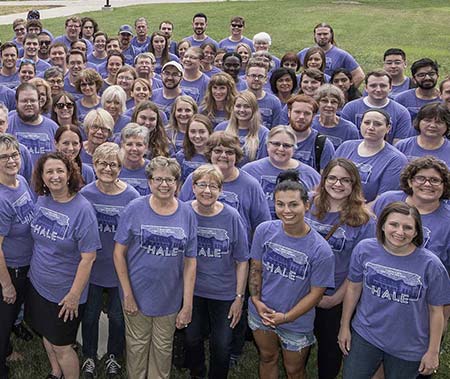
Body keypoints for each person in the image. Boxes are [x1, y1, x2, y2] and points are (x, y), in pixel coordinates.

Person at [338, 201, 450, 379]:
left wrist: (433, 351)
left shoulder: (431, 265)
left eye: (407, 227)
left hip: (409, 346)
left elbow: (437, 311)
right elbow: (353, 288)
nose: (399, 232)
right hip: (366, 334)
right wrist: (344, 326)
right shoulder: (364, 249)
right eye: (394, 224)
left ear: (416, 231)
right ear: (382, 224)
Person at [113, 156, 197, 379]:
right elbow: (118, 253)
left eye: (170, 180)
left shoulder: (187, 213)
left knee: (163, 348)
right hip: (137, 293)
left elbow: (190, 261)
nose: (164, 184)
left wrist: (187, 304)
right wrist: (127, 294)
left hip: (169, 296)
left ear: (178, 183)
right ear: (149, 182)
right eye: (158, 179)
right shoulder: (134, 208)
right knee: (137, 347)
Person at [248, 169, 335, 379]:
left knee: (294, 370)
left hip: (296, 321)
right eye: (280, 204)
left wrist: (286, 317)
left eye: (293, 204)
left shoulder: (321, 250)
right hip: (262, 312)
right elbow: (256, 269)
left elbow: (316, 294)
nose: (286, 210)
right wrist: (256, 300)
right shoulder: (264, 231)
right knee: (267, 357)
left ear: (306, 205)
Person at [27, 152, 101, 379]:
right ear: (42, 176)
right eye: (49, 171)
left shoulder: (83, 210)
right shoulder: (42, 199)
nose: (55, 176)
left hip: (64, 293)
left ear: (69, 173)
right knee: (46, 334)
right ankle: (55, 372)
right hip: (38, 284)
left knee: (62, 346)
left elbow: (88, 258)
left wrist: (73, 295)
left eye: (60, 170)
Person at [305, 158, 375, 379]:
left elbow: (360, 268)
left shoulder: (365, 221)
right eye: (332, 178)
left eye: (345, 180)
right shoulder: (307, 203)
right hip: (301, 288)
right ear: (324, 179)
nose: (338, 184)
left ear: (354, 185)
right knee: (299, 339)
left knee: (329, 348)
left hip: (334, 293)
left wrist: (335, 299)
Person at [79, 143, 140, 379]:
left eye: (113, 164)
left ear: (121, 167)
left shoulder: (131, 196)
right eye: (102, 163)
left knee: (117, 315)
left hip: (119, 269)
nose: (107, 168)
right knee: (91, 314)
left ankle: (114, 355)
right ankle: (89, 356)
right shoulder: (86, 194)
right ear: (94, 165)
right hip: (92, 267)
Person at [185, 164, 249, 379]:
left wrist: (239, 297)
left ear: (221, 190)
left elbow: (242, 260)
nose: (207, 190)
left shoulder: (231, 217)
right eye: (202, 184)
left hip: (223, 291)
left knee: (221, 344)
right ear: (193, 187)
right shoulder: (183, 212)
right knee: (192, 337)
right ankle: (197, 373)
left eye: (213, 186)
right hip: (191, 289)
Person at [179, 131, 270, 248]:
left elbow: (261, 225)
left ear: (236, 155)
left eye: (229, 152)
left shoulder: (251, 185)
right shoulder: (194, 178)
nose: (223, 155)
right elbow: (181, 214)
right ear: (209, 153)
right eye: (217, 151)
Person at [372, 156, 450, 270]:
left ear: (444, 185)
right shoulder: (387, 200)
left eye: (435, 180)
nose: (427, 184)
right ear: (410, 181)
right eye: (420, 178)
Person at [0, 134, 34, 379]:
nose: (11, 160)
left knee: (8, 318)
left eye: (14, 155)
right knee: (4, 321)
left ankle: (8, 350)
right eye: (3, 157)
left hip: (25, 263)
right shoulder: (1, 198)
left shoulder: (20, 181)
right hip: (11, 268)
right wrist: (6, 284)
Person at [242, 125, 320, 219]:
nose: (281, 149)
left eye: (286, 145)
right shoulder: (249, 171)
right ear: (267, 145)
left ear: (294, 149)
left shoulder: (311, 175)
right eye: (276, 144)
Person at [335, 109, 408, 203]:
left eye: (377, 124)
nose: (371, 127)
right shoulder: (346, 146)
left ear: (388, 128)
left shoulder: (396, 159)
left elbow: (382, 200)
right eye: (366, 123)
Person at [341, 70, 412, 144]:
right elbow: (345, 138)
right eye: (373, 86)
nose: (378, 89)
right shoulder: (350, 108)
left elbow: (398, 145)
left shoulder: (402, 113)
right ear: (366, 87)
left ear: (390, 87)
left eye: (383, 86)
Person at [298, 22, 365, 87]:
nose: (322, 37)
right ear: (314, 35)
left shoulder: (342, 55)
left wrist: (347, 93)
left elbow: (359, 75)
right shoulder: (304, 53)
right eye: (319, 34)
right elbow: (290, 69)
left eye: (325, 34)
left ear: (331, 35)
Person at [7, 83, 59, 164]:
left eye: (32, 100)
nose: (29, 104)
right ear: (16, 103)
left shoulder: (53, 127)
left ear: (39, 102)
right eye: (24, 101)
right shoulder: (7, 125)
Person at [215, 91, 269, 166]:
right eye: (238, 106)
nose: (242, 110)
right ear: (233, 108)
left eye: (247, 106)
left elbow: (262, 164)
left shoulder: (264, 133)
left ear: (254, 109)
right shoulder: (221, 128)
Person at [287, 94, 335, 172]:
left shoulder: (323, 144)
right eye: (297, 112)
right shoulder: (275, 139)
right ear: (289, 113)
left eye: (307, 113)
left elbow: (325, 178)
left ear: (313, 116)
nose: (301, 117)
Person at [395, 102, 450, 166]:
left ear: (447, 125)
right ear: (419, 122)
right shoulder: (402, 146)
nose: (432, 125)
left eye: (439, 122)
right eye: (427, 120)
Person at [311, 84, 360, 149]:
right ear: (318, 102)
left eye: (333, 102)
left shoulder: (349, 129)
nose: (329, 105)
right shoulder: (310, 123)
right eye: (324, 101)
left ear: (339, 104)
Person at [246, 59, 283, 129]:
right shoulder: (238, 98)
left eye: (260, 76)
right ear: (246, 77)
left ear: (266, 79)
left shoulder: (274, 102)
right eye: (253, 75)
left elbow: (276, 129)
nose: (256, 79)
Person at [176, 114, 212, 181]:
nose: (197, 136)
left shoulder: (215, 156)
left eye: (202, 132)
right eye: (193, 132)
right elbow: (178, 182)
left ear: (209, 132)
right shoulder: (181, 156)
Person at [117, 122, 151, 196]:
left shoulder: (153, 169)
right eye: (129, 144)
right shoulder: (114, 167)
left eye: (139, 145)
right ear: (122, 145)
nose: (134, 149)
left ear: (146, 147)